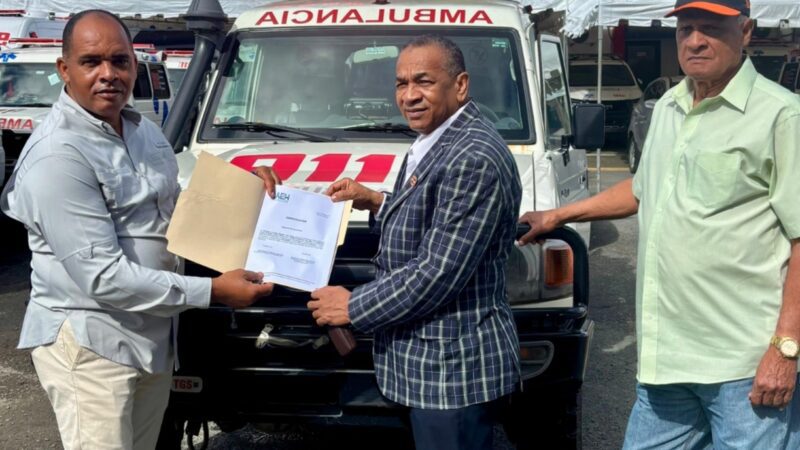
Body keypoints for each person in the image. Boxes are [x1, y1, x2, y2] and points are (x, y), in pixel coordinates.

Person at [519, 0, 800, 448]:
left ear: (745, 32)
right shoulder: (669, 105)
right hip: (666, 360)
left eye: (711, 28)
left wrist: (786, 349)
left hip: (742, 365)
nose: (694, 40)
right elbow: (642, 188)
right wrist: (558, 214)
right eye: (686, 28)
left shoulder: (781, 116)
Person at [0, 10, 280, 450]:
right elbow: (103, 278)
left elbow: (177, 207)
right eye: (91, 62)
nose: (108, 74)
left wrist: (245, 191)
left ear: (134, 63)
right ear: (64, 70)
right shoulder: (59, 156)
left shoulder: (143, 133)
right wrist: (213, 291)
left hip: (150, 337)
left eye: (120, 60)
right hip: (93, 345)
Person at [307, 35, 521, 450]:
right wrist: (374, 199)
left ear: (460, 85)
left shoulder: (473, 156)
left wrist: (351, 305)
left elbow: (437, 272)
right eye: (401, 83)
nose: (409, 96)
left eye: (423, 81)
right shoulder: (436, 138)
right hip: (423, 364)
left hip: (452, 371)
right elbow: (430, 218)